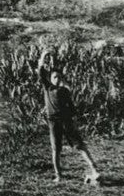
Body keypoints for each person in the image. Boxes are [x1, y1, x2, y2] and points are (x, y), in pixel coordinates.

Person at [38, 49, 101, 184]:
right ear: (50, 78)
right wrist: (43, 55)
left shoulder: (65, 91)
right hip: (53, 122)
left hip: (66, 121)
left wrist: (74, 121)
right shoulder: (47, 87)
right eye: (55, 77)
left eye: (60, 77)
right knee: (56, 149)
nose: (57, 79)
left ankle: (94, 170)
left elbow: (72, 108)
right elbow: (40, 69)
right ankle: (58, 175)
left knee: (80, 146)